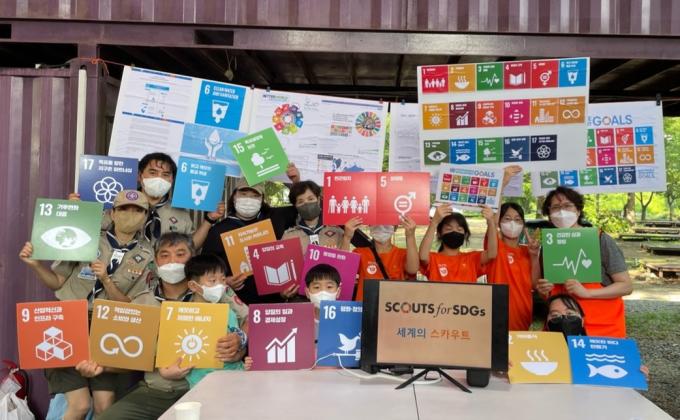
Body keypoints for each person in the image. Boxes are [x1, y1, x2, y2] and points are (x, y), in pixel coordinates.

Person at [18, 190, 154, 420]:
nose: (130, 214)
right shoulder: (85, 236)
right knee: (80, 405)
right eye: (124, 208)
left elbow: (130, 306)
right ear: (112, 213)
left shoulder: (147, 254)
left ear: (145, 216)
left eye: (138, 210)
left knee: (105, 405)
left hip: (106, 327)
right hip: (69, 321)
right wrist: (35, 265)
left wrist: (106, 280)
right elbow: (57, 281)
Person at [86, 234, 247, 420]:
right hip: (157, 392)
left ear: (192, 258)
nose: (173, 261)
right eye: (165, 255)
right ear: (155, 262)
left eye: (180, 254)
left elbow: (250, 318)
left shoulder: (213, 290)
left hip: (206, 388)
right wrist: (101, 367)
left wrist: (240, 339)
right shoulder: (143, 301)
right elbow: (130, 354)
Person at [532, 186, 632, 338]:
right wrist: (544, 289)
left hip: (602, 331)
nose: (562, 211)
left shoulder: (600, 239)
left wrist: (588, 293)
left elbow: (626, 286)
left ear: (578, 211)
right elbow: (545, 290)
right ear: (549, 214)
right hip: (561, 329)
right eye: (556, 207)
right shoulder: (549, 244)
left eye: (567, 206)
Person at [72, 153, 224, 248]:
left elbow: (191, 246)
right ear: (140, 176)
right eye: (153, 172)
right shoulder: (118, 204)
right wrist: (77, 210)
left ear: (172, 180)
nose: (159, 178)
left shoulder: (181, 213)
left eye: (165, 174)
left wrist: (209, 220)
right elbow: (88, 232)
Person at [201, 168, 300, 305]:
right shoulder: (219, 230)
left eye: (255, 196)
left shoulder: (275, 219)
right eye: (243, 194)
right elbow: (206, 267)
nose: (248, 199)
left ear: (262, 199)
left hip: (274, 302)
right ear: (234, 196)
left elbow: (300, 204)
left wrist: (296, 182)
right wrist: (224, 281)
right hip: (236, 306)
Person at [279, 180, 361, 299]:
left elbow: (344, 263)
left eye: (310, 199)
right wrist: (283, 293)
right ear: (295, 206)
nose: (306, 203)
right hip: (301, 297)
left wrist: (347, 237)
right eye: (300, 201)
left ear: (318, 200)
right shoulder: (288, 236)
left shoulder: (336, 230)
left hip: (332, 296)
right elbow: (283, 275)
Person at [183, 254, 249, 387]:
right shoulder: (182, 315)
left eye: (223, 280)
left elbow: (238, 345)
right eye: (212, 281)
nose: (219, 285)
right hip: (201, 384)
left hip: (235, 377)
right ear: (193, 285)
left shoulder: (229, 312)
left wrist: (238, 353)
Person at [484, 202, 535, 331]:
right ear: (499, 223)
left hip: (523, 316)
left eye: (518, 219)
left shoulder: (528, 251)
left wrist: (534, 256)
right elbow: (493, 224)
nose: (513, 223)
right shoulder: (495, 247)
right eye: (507, 218)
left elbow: (534, 284)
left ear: (523, 224)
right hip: (497, 317)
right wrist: (500, 188)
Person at [418, 204, 497, 282]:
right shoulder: (433, 259)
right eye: (449, 229)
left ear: (465, 235)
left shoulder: (472, 259)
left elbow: (492, 254)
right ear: (439, 233)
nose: (454, 231)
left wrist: (491, 222)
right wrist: (434, 222)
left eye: (459, 229)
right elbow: (423, 257)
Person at [352, 217, 419, 301]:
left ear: (395, 227)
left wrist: (410, 236)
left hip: (392, 306)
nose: (381, 226)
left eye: (386, 222)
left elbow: (413, 270)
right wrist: (347, 237)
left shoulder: (403, 254)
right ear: (369, 225)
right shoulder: (359, 253)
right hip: (365, 307)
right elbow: (342, 272)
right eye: (377, 222)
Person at [304, 263, 342, 338]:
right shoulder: (298, 321)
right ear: (307, 293)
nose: (323, 292)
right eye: (317, 287)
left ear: (338, 292)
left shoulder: (346, 321)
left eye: (329, 287)